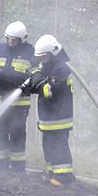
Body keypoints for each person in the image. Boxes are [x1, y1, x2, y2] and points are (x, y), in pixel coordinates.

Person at [0, 21, 36, 171]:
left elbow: (39, 70)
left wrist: (27, 78)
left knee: (17, 135)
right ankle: (1, 167)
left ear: (22, 39)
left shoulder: (31, 52)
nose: (11, 42)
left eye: (15, 40)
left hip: (20, 105)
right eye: (9, 38)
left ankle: (17, 168)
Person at [20, 34, 75, 186]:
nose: (42, 59)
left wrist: (38, 78)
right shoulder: (47, 66)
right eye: (41, 57)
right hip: (49, 118)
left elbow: (48, 90)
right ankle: (53, 173)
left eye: (44, 56)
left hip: (59, 118)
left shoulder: (61, 69)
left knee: (58, 146)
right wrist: (32, 81)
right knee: (48, 145)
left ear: (53, 53)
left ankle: (64, 177)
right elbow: (38, 83)